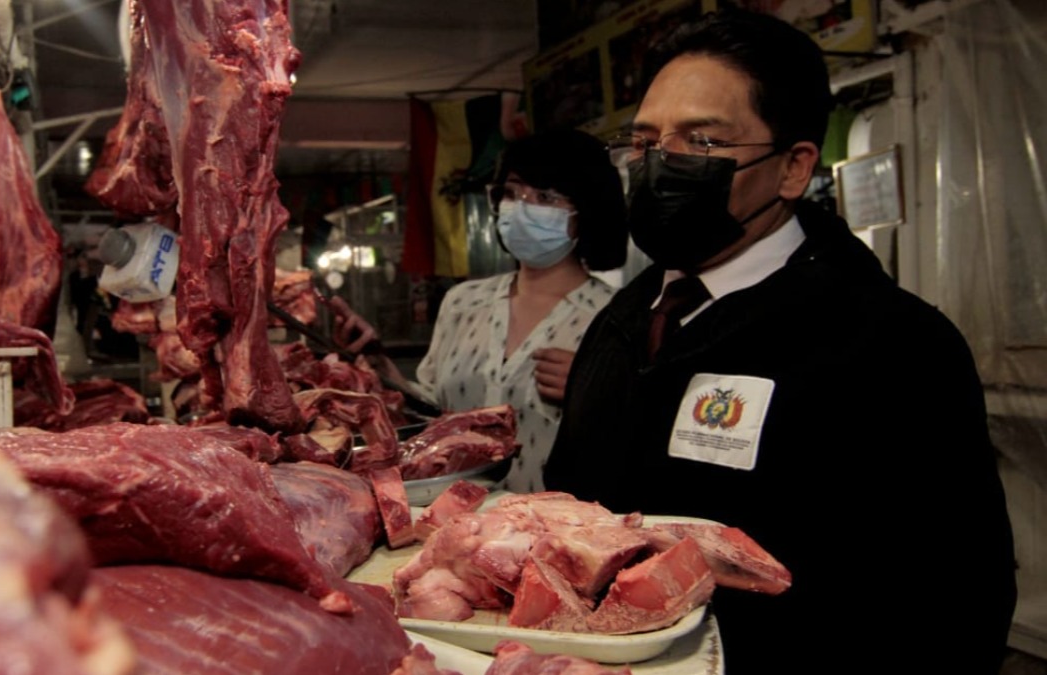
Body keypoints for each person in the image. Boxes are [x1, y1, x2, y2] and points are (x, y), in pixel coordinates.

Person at [543, 9, 1016, 674]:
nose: (659, 165)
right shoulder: (623, 319)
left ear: (793, 168)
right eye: (645, 140)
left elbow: (955, 601)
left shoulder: (895, 345)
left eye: (701, 141)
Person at [330, 128, 628, 492]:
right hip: (451, 522)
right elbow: (430, 415)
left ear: (588, 210)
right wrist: (377, 365)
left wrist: (592, 392)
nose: (521, 207)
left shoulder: (617, 316)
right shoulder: (463, 301)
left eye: (545, 197)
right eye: (513, 192)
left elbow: (637, 441)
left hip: (553, 532)